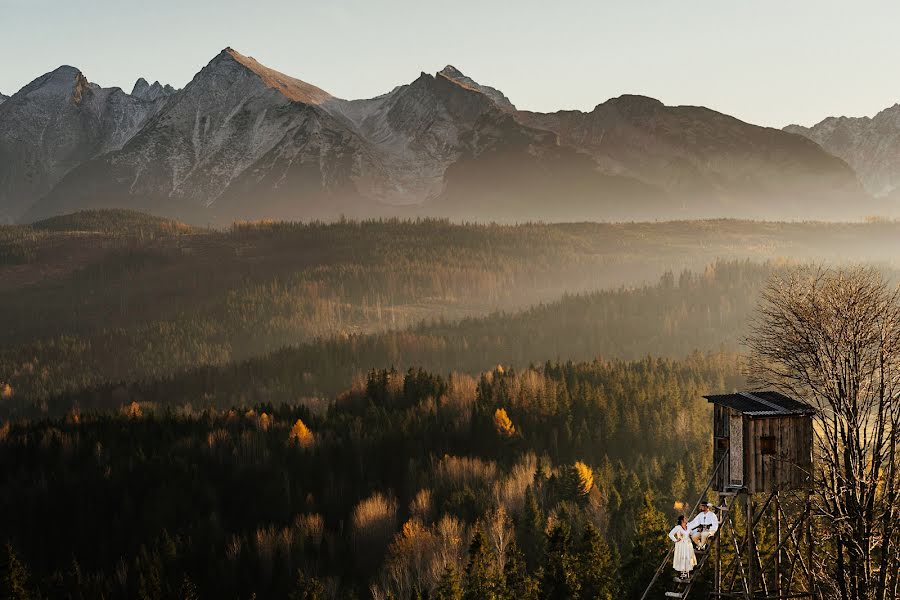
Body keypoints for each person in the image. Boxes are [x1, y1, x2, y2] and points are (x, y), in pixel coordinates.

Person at [668, 515, 697, 581]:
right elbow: (670, 534)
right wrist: (675, 540)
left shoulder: (688, 527)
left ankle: (687, 573)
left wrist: (697, 530)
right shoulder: (678, 527)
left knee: (688, 557)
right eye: (685, 518)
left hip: (688, 544)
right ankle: (682, 574)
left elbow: (692, 533)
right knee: (682, 557)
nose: (687, 519)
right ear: (682, 520)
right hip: (681, 545)